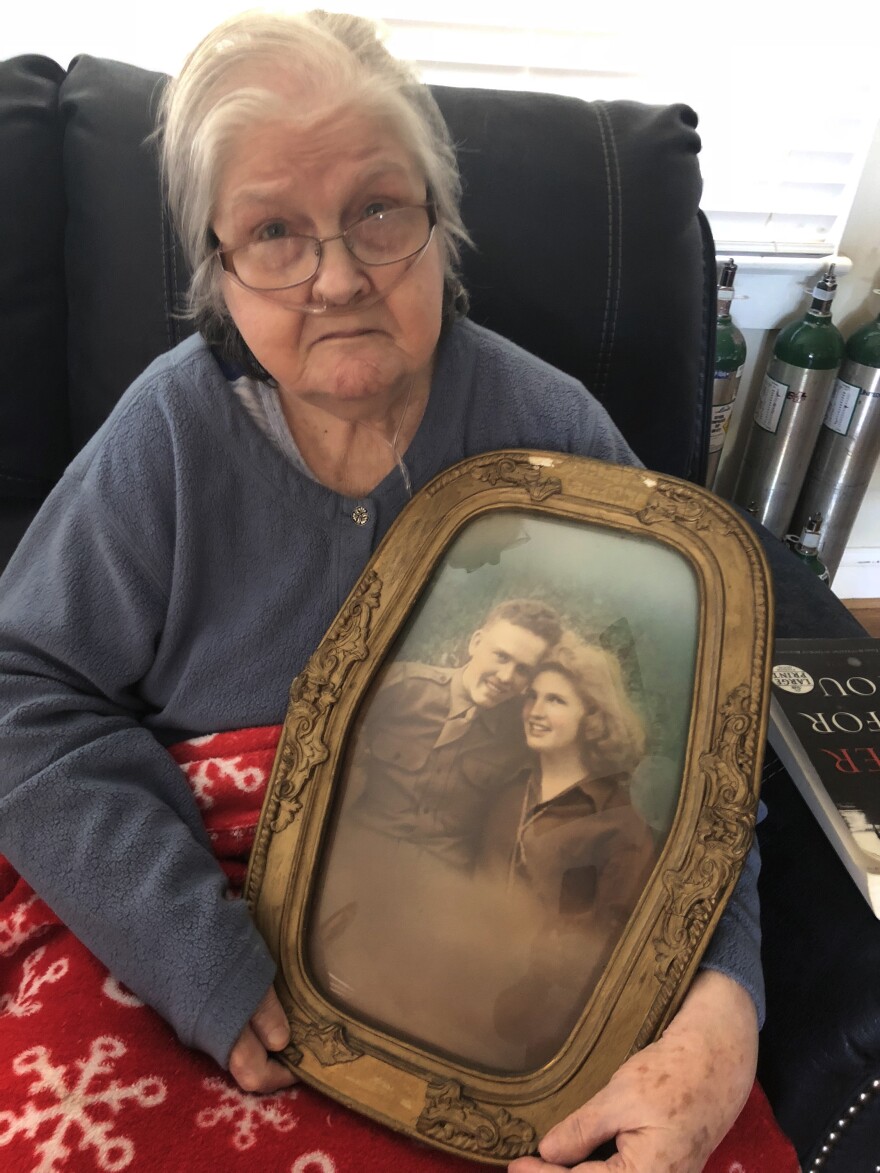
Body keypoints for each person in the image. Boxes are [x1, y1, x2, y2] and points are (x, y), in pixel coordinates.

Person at [0, 11, 760, 1171]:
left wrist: (725, 1005)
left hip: (498, 945)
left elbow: (698, 762)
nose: (338, 278)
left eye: (376, 211)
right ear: (218, 265)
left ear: (441, 224)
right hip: (202, 911)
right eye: (272, 232)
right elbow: (20, 693)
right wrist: (183, 943)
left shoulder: (557, 438)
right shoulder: (169, 432)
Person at [482, 637, 658, 1068]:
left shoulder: (619, 827)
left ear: (592, 718)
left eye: (556, 700)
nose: (536, 712)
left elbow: (610, 949)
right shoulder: (506, 795)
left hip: (547, 1029)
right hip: (469, 984)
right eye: (532, 697)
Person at [347, 597, 562, 869]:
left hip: (443, 882)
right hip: (360, 857)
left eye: (523, 669)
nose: (507, 677)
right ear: (476, 643)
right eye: (502, 657)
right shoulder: (401, 687)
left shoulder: (521, 734)